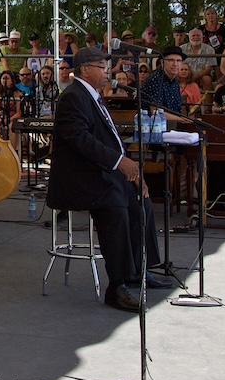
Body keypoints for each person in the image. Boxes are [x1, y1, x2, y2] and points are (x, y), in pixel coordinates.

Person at [47, 47, 169, 314]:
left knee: (140, 200)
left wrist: (132, 171)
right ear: (84, 70)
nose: (107, 72)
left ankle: (139, 270)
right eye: (102, 67)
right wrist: (119, 163)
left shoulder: (93, 96)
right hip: (79, 178)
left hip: (99, 172)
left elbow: (110, 140)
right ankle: (118, 285)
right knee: (115, 206)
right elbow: (81, 140)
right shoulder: (73, 97)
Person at [141, 45, 183, 113]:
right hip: (152, 122)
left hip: (173, 122)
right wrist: (186, 120)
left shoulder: (174, 81)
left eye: (178, 61)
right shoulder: (155, 79)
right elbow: (156, 113)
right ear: (162, 62)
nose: (175, 64)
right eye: (171, 60)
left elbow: (177, 110)